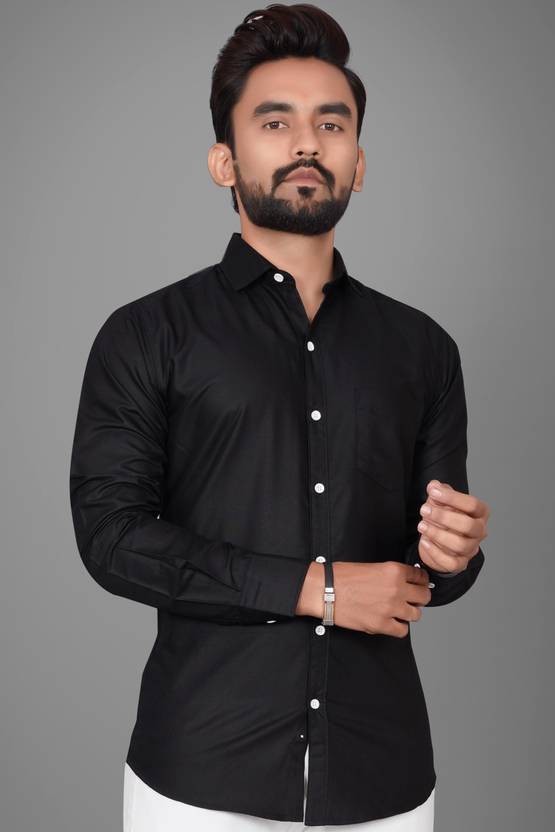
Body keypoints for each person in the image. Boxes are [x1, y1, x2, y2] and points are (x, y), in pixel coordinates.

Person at [69, 4, 490, 830]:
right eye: (275, 122)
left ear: (357, 163)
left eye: (331, 124)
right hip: (200, 780)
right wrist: (316, 590)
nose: (307, 144)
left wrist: (454, 554)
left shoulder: (423, 348)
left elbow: (431, 571)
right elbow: (111, 538)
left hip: (383, 782)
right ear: (223, 161)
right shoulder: (147, 334)